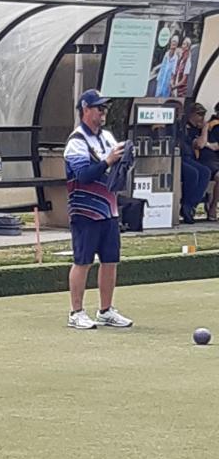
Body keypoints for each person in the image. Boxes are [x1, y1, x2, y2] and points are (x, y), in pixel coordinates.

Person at [63, 89, 132, 330]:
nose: (103, 113)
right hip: (85, 211)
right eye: (98, 108)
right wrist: (108, 161)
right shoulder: (76, 142)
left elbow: (114, 170)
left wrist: (123, 161)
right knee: (83, 261)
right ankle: (76, 312)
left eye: (105, 108)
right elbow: (82, 176)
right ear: (85, 109)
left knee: (110, 260)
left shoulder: (107, 137)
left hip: (109, 209)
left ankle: (105, 310)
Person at [180, 102, 212, 224]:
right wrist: (204, 129)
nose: (202, 118)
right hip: (179, 158)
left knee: (205, 172)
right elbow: (199, 144)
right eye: (199, 115)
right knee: (193, 173)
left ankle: (191, 205)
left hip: (190, 158)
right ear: (191, 114)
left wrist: (203, 130)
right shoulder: (182, 126)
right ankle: (187, 205)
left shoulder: (195, 129)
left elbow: (201, 144)